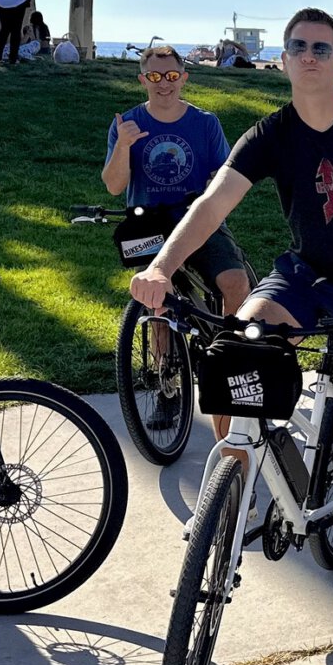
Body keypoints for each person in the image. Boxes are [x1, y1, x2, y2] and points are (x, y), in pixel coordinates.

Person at [130, 8, 333, 616]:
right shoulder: (271, 134)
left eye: (322, 47)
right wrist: (161, 266)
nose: (309, 55)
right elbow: (212, 204)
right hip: (305, 274)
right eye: (298, 46)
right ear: (284, 60)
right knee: (237, 354)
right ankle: (226, 502)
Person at [103, 45, 254, 432]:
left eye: (171, 76)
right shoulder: (128, 124)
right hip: (148, 224)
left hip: (195, 219)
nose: (163, 84)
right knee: (158, 303)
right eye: (154, 76)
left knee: (235, 282)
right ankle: (168, 387)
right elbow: (113, 185)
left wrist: (211, 203)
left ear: (184, 77)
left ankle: (232, 366)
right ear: (143, 79)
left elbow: (225, 180)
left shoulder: (205, 124)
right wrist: (123, 145)